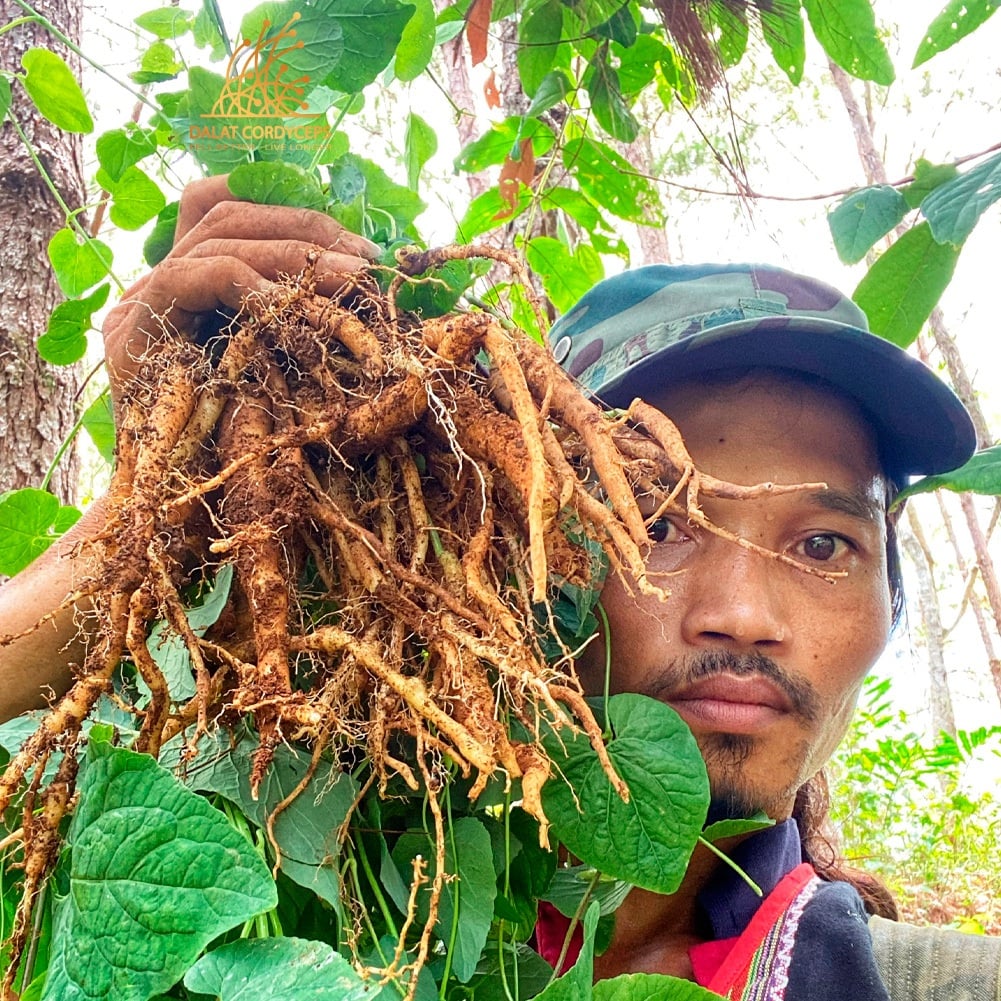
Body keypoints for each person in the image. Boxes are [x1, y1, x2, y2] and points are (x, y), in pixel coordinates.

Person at [0, 185, 997, 999]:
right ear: (502, 558)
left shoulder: (936, 985)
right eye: (646, 520)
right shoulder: (321, 909)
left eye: (823, 542)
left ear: (888, 606)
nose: (740, 611)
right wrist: (134, 523)